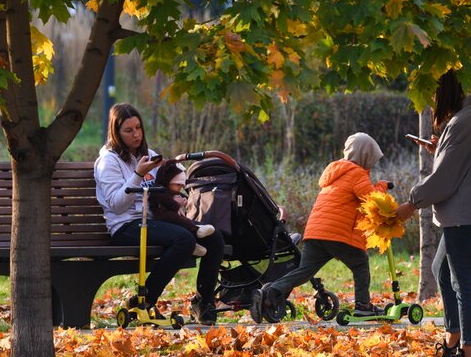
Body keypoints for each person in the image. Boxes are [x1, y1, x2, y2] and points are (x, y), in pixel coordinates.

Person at [396, 69, 471, 357]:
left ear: (445, 90)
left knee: (462, 282)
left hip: (465, 213)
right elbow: (461, 161)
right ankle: (453, 338)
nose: (433, 101)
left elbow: (444, 179)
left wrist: (411, 204)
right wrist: (440, 149)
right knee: (441, 270)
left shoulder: (463, 122)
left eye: (434, 94)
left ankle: (469, 355)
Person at [94, 103, 225, 326]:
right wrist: (138, 174)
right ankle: (144, 301)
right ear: (116, 133)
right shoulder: (108, 161)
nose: (136, 134)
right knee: (184, 239)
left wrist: (175, 196)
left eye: (138, 128)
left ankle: (204, 302)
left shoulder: (150, 156)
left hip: (155, 220)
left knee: (215, 238)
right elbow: (116, 205)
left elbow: (163, 189)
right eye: (128, 130)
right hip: (125, 226)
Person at [250, 132, 392, 323]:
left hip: (316, 232)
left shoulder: (335, 173)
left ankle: (272, 291)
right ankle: (363, 306)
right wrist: (382, 185)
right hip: (338, 234)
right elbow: (373, 200)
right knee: (360, 264)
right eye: (372, 159)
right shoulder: (356, 173)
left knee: (305, 271)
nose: (372, 164)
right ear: (364, 155)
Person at [149, 158, 216, 258]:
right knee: (179, 221)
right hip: (163, 215)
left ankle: (193, 246)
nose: (180, 187)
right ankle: (196, 230)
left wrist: (187, 201)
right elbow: (165, 200)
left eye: (182, 185)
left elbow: (183, 197)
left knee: (182, 222)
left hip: (172, 216)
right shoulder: (159, 190)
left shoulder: (173, 191)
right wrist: (176, 204)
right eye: (177, 184)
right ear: (167, 180)